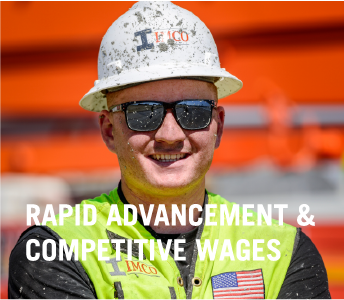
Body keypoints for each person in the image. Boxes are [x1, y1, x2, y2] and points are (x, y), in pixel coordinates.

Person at [9, 2, 330, 299]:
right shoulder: (56, 249)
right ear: (109, 130)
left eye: (193, 111)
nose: (170, 134)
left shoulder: (285, 251)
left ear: (217, 125)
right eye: (143, 113)